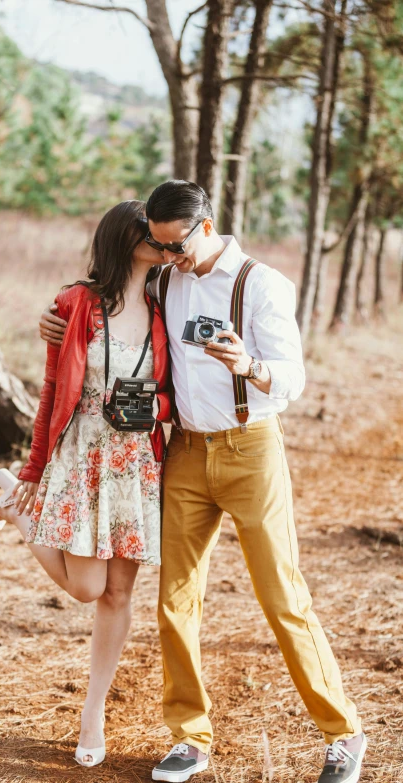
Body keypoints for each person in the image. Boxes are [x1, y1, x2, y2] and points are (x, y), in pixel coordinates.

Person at [39, 180, 366, 783]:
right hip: (184, 453)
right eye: (161, 247)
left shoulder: (262, 284)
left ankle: (342, 733)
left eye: (176, 245)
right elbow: (112, 301)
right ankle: (189, 737)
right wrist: (56, 323)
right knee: (175, 603)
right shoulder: (167, 279)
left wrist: (252, 366)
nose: (170, 257)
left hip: (251, 450)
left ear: (206, 225)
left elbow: (294, 378)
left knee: (283, 599)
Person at [0, 200, 170, 768]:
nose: (163, 243)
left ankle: (94, 712)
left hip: (136, 462)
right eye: (151, 234)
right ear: (125, 237)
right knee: (87, 588)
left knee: (118, 593)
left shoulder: (167, 306)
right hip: (82, 455)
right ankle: (17, 508)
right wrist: (35, 470)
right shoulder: (76, 303)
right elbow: (49, 392)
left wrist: (153, 409)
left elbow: (175, 391)